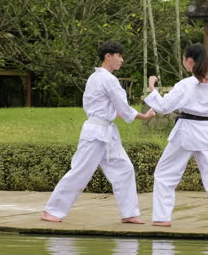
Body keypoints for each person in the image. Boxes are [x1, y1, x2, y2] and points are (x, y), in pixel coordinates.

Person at [41, 41, 156, 224]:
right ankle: (52, 211)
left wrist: (118, 115)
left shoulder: (95, 78)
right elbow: (123, 109)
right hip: (96, 133)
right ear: (108, 56)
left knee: (125, 169)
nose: (122, 60)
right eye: (119, 56)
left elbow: (105, 108)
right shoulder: (108, 80)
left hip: (106, 132)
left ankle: (129, 213)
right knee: (80, 171)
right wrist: (145, 116)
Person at [144, 43, 208, 228]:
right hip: (205, 130)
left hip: (186, 130)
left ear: (189, 61)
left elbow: (164, 107)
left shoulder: (185, 85)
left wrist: (152, 87)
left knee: (165, 174)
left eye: (184, 60)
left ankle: (162, 218)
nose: (184, 63)